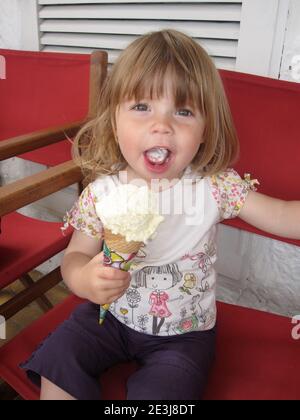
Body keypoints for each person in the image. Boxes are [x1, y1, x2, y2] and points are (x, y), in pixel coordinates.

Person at [21, 29, 300, 400]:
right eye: (141, 107)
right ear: (114, 119)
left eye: (183, 111)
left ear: (204, 131)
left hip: (185, 335)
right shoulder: (103, 193)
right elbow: (75, 257)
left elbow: (283, 215)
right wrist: (84, 280)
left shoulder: (214, 187)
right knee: (60, 357)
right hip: (109, 318)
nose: (162, 125)